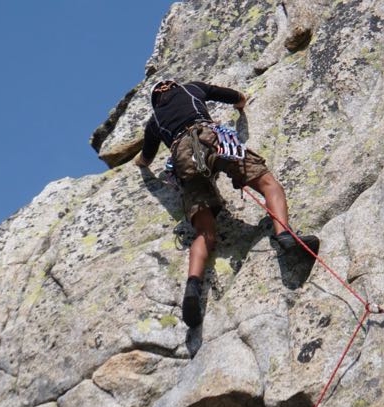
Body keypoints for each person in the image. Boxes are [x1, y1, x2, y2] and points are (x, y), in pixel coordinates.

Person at [134, 79, 319, 327]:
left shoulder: (155, 121)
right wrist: (242, 103)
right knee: (268, 185)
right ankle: (284, 236)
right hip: (211, 139)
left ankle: (193, 286)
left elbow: (145, 159)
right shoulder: (190, 88)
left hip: (182, 158)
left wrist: (138, 164)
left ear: (157, 100)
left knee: (205, 231)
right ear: (174, 87)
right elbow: (234, 97)